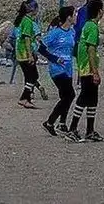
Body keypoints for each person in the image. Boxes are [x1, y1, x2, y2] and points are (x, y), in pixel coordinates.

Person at [68, 0, 104, 142]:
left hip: (85, 66)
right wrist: (95, 72)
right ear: (99, 11)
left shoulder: (88, 25)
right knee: (84, 96)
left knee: (93, 98)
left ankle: (90, 130)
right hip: (87, 67)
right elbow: (90, 49)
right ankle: (72, 129)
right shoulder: (92, 27)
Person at [41, 7, 77, 136]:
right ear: (69, 17)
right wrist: (54, 58)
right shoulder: (55, 33)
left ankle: (62, 123)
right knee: (70, 95)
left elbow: (72, 49)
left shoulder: (72, 32)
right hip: (57, 69)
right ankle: (50, 122)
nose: (76, 16)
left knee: (65, 96)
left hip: (68, 68)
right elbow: (41, 47)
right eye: (74, 14)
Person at [13, 0, 43, 108]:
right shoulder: (28, 22)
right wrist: (30, 55)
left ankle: (27, 98)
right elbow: (26, 39)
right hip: (24, 53)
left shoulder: (23, 20)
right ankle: (24, 98)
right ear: (33, 9)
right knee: (33, 76)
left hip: (20, 52)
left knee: (30, 76)